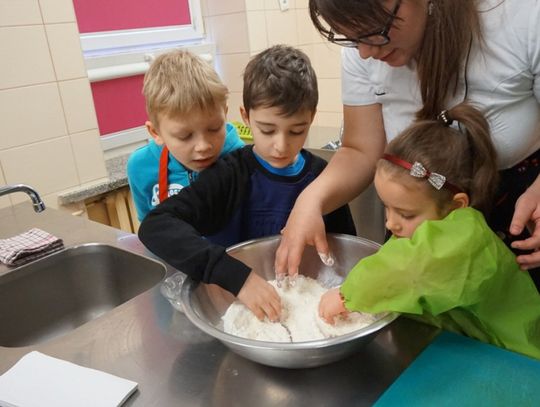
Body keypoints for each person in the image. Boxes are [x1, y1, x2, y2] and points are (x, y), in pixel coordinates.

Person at [275, 0, 540, 288]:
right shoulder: (361, 52)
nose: (364, 53)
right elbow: (360, 149)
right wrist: (311, 200)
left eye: (375, 30)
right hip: (417, 220)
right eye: (353, 39)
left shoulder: (521, 15)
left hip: (518, 215)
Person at [138, 45, 357, 321]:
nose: (280, 145)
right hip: (233, 305)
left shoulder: (322, 179)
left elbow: (349, 255)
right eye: (267, 130)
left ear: (311, 117)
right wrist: (237, 277)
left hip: (311, 307)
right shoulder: (229, 175)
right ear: (245, 116)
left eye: (297, 131)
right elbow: (156, 226)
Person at [318, 103, 540, 359]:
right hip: (471, 349)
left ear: (457, 205)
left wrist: (348, 295)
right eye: (387, 208)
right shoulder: (423, 231)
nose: (391, 223)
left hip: (515, 356)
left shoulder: (467, 237)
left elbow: (410, 269)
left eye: (405, 214)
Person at [127, 50, 244, 221]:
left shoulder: (242, 161)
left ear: (225, 115)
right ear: (156, 133)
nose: (203, 146)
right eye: (184, 136)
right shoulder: (141, 167)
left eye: (214, 128)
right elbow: (150, 227)